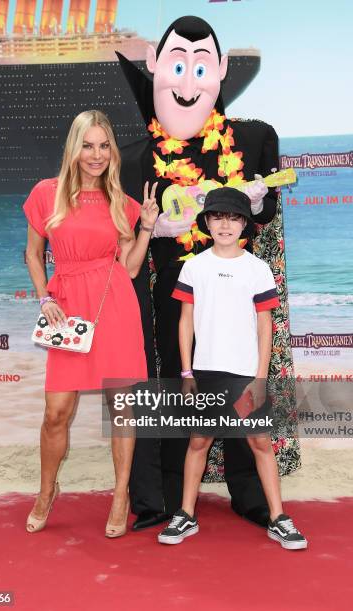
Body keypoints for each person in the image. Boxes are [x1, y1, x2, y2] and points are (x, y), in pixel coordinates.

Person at [118, 15, 299, 531]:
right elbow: (124, 234)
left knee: (244, 386)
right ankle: (174, 498)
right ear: (155, 67)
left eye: (201, 66)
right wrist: (155, 230)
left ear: (220, 70)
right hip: (174, 297)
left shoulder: (251, 140)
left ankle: (252, 494)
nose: (188, 81)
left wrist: (259, 201)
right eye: (177, 64)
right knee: (181, 389)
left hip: (239, 290)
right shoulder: (135, 159)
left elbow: (264, 216)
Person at [22, 110, 158, 538]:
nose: (96, 155)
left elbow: (132, 268)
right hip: (66, 308)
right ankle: (46, 491)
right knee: (56, 411)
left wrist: (148, 228)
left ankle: (120, 496)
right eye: (88, 145)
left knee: (122, 410)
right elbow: (32, 253)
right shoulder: (47, 193)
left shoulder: (121, 201)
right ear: (74, 147)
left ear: (111, 151)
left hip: (112, 306)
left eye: (104, 146)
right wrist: (44, 297)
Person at [158, 187, 307, 550]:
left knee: (259, 442)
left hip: (245, 377)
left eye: (234, 217)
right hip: (206, 374)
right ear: (207, 222)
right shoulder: (194, 266)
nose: (226, 224)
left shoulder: (257, 269)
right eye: (218, 217)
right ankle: (186, 514)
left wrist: (260, 377)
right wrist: (187, 373)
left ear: (244, 224)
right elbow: (186, 322)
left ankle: (278, 518)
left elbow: (265, 326)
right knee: (199, 443)